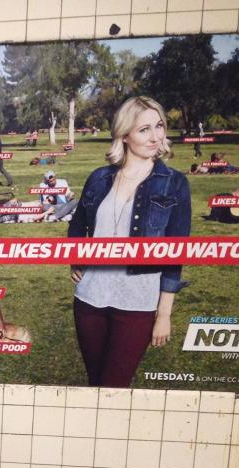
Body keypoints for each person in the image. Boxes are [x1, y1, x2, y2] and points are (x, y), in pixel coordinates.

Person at [67, 96, 191, 389]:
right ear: (124, 135)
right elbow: (77, 224)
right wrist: (77, 260)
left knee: (113, 388)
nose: (156, 136)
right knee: (95, 384)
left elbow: (175, 255)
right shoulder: (99, 178)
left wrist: (164, 314)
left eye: (159, 126)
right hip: (90, 300)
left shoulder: (174, 183)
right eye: (144, 129)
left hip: (137, 303)